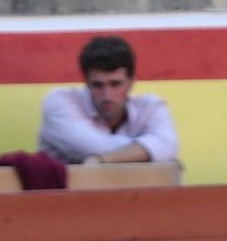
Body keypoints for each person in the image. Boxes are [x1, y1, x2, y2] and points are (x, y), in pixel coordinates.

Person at [38, 35, 179, 166]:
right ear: (86, 83)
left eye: (115, 84)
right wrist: (150, 150)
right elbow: (92, 147)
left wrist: (101, 159)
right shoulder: (60, 101)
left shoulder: (150, 106)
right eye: (97, 85)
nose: (107, 96)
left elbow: (168, 145)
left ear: (131, 82)